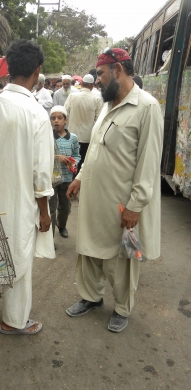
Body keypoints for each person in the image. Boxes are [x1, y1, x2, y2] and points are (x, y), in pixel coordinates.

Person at [66, 48, 164, 332]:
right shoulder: (107, 105)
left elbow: (148, 162)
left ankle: (122, 308)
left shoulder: (146, 107)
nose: (96, 80)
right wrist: (80, 177)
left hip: (121, 203)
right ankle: (91, 298)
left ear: (118, 70)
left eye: (100, 74)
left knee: (121, 261)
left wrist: (135, 205)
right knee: (88, 252)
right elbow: (95, 147)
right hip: (94, 199)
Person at [0, 39, 55, 335]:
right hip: (16, 198)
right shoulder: (35, 113)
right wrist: (44, 212)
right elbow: (41, 173)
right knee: (17, 251)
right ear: (37, 71)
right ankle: (13, 320)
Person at [49, 105, 80, 239]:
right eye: (53, 118)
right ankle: (50, 238)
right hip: (52, 180)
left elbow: (77, 155)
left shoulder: (73, 138)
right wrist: (58, 158)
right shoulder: (48, 137)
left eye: (59, 118)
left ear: (65, 120)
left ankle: (62, 226)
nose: (56, 121)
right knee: (51, 209)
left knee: (65, 207)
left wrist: (75, 162)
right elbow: (42, 156)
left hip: (67, 179)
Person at [64, 74, 102, 174]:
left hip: (72, 135)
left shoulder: (72, 96)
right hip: (87, 137)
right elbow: (99, 119)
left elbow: (65, 113)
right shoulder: (97, 99)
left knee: (72, 162)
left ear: (81, 84)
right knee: (83, 164)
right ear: (92, 85)